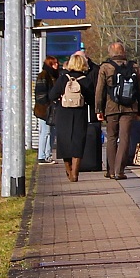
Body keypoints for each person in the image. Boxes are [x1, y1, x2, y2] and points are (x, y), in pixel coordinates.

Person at [95, 41, 140, 180]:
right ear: (123, 52)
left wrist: (98, 109)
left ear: (111, 52)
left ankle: (110, 170)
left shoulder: (105, 67)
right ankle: (119, 171)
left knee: (111, 138)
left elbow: (100, 90)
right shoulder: (133, 66)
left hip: (111, 108)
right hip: (130, 108)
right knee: (124, 138)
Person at [48, 53, 96, 182]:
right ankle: (75, 173)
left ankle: (68, 171)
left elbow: (52, 95)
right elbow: (92, 100)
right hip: (80, 113)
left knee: (64, 142)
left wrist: (60, 99)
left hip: (63, 113)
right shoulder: (86, 80)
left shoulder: (63, 78)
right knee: (78, 142)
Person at [33, 55, 60, 164]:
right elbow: (40, 94)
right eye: (54, 63)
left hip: (52, 109)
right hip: (45, 110)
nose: (57, 65)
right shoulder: (43, 76)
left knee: (52, 132)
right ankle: (42, 155)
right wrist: (48, 103)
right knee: (45, 132)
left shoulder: (54, 75)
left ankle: (48, 155)